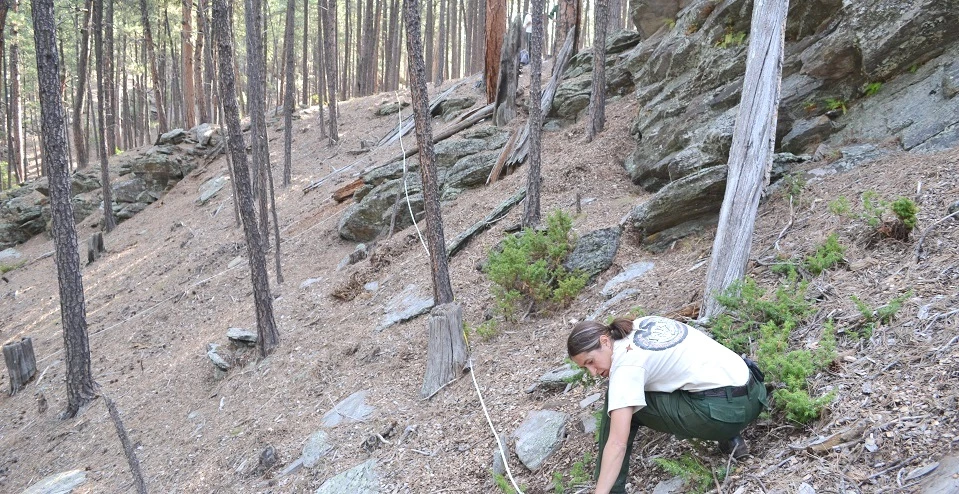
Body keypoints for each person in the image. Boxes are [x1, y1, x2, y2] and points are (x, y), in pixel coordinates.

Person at [567, 316, 767, 494]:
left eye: (591, 361)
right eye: (586, 368)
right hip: (756, 392)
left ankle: (612, 489)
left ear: (604, 341)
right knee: (650, 386)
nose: (593, 372)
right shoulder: (643, 324)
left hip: (724, 415)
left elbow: (617, 443)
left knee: (618, 400)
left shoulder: (625, 367)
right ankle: (731, 438)